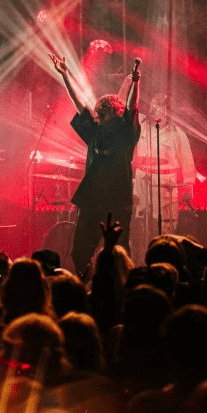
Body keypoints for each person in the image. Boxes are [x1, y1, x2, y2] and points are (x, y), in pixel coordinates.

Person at [51, 53, 140, 277]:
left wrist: (135, 84)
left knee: (120, 251)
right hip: (92, 200)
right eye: (100, 111)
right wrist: (65, 75)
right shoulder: (94, 132)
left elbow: (132, 109)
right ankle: (86, 279)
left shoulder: (126, 132)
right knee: (80, 251)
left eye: (105, 111)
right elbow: (79, 104)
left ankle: (119, 284)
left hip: (118, 200)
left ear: (115, 112)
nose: (99, 114)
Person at [131, 92, 196, 263]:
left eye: (162, 109)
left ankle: (164, 260)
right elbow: (128, 108)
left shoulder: (177, 133)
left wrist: (188, 186)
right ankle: (141, 260)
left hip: (165, 184)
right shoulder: (141, 125)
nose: (158, 112)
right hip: (143, 181)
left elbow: (187, 161)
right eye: (155, 107)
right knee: (140, 225)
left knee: (164, 226)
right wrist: (132, 84)